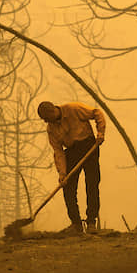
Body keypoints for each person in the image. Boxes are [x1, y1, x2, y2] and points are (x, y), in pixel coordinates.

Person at [37, 100, 106, 234]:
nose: (46, 122)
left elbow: (97, 113)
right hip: (72, 151)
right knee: (67, 187)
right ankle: (76, 224)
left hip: (89, 145)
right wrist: (62, 173)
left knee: (92, 183)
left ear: (52, 111)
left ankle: (91, 222)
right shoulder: (51, 129)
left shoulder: (73, 109)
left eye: (46, 118)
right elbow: (58, 151)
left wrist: (100, 132)